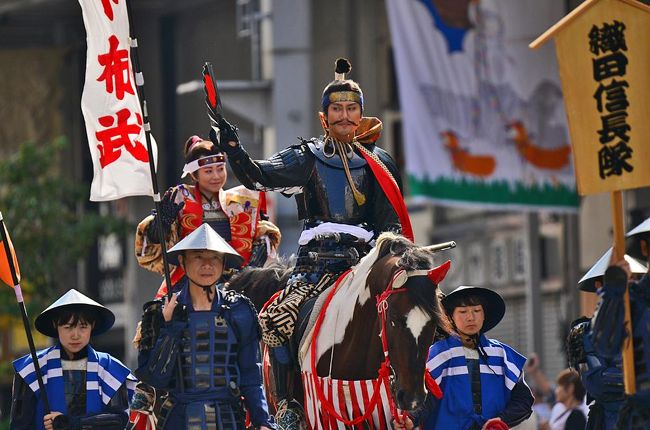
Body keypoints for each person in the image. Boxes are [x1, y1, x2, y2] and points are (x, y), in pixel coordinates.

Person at [211, 57, 412, 413]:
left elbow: (390, 223)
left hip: (364, 265)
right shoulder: (307, 156)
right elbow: (258, 176)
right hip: (315, 269)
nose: (345, 116)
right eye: (337, 109)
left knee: (414, 314)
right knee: (277, 320)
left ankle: (410, 398)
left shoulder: (380, 162)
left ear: (361, 113)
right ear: (324, 116)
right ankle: (289, 404)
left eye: (352, 108)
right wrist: (232, 148)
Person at [135, 223, 276, 429]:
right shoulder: (159, 312)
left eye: (215, 257)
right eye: (199, 256)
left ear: (224, 262)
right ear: (182, 261)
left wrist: (262, 421)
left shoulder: (240, 309)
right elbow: (155, 378)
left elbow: (251, 377)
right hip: (179, 419)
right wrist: (170, 328)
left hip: (228, 418)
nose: (207, 265)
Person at [135, 134, 281, 298]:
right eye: (208, 171)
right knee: (158, 318)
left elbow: (262, 236)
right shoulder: (180, 200)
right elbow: (151, 252)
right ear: (194, 175)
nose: (216, 176)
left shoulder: (242, 201)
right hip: (189, 282)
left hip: (237, 283)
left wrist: (255, 262)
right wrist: (160, 226)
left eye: (220, 169)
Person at [397, 285, 533, 430]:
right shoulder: (438, 354)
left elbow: (524, 401)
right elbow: (424, 400)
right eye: (463, 312)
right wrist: (411, 419)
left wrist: (502, 419)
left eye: (476, 311)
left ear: (484, 314)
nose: (471, 317)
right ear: (450, 317)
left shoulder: (503, 355)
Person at [11, 289, 136, 430]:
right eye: (68, 327)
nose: (75, 335)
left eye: (83, 327)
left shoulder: (110, 368)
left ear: (92, 325)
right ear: (55, 325)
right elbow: (19, 425)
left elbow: (120, 420)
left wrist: (70, 424)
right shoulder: (32, 368)